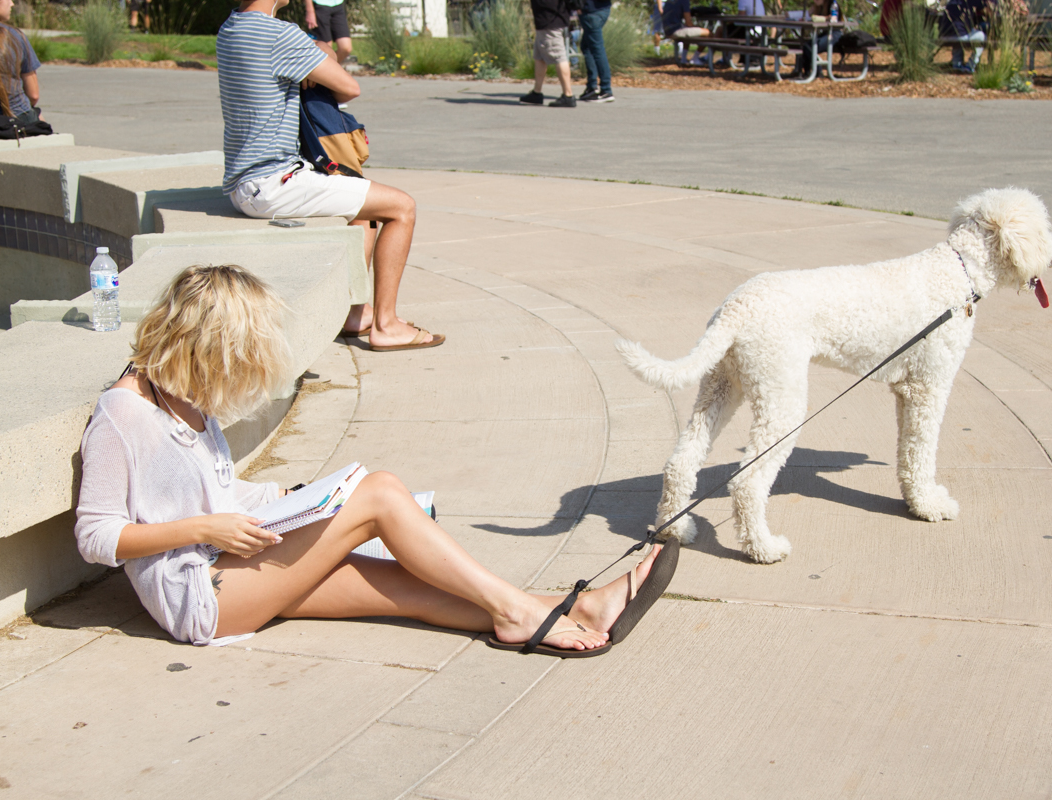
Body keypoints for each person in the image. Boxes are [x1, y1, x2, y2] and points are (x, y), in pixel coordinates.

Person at [75, 265, 672, 654]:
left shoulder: (185, 395)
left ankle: (579, 606)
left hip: (233, 562)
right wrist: (206, 528)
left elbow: (211, 489)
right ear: (202, 344)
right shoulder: (124, 414)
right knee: (380, 491)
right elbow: (96, 536)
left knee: (408, 589)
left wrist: (277, 499)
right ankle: (521, 613)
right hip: (199, 592)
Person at [217, 0, 442, 352]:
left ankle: (356, 314)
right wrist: (321, 52)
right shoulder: (279, 35)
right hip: (276, 182)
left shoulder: (230, 29)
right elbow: (349, 87)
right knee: (402, 208)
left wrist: (312, 53)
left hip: (247, 182)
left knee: (363, 210)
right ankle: (387, 325)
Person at [0, 0, 49, 137]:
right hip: (17, 118)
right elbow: (33, 95)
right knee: (39, 120)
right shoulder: (15, 36)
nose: (12, 4)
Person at [519, 0, 576, 107]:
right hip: (546, 17)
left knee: (558, 56)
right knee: (539, 56)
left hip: (550, 17)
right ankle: (537, 92)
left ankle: (568, 95)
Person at [578, 0, 614, 103]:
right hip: (603, 8)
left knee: (597, 49)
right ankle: (592, 87)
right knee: (587, 46)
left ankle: (606, 89)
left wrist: (577, 6)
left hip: (590, 11)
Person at [940, 0, 989, 73]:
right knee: (982, 36)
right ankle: (971, 65)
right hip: (960, 36)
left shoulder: (950, 1)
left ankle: (957, 63)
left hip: (944, 35)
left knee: (958, 31)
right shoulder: (970, 1)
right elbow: (986, 11)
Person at [303, 0, 352, 65]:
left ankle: (331, 70)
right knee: (327, 49)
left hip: (338, 4)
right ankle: (326, 72)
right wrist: (310, 11)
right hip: (320, 5)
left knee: (345, 48)